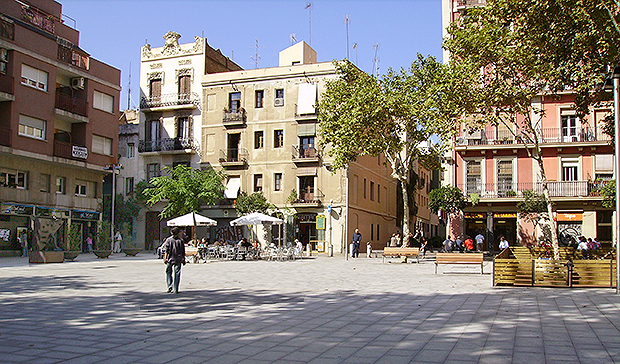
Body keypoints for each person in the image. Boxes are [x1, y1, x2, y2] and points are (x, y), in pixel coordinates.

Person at [163, 227, 186, 294]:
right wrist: (183, 259)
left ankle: (169, 286)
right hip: (178, 259)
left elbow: (166, 250)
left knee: (168, 272)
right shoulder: (181, 240)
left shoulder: (168, 240)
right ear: (178, 233)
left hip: (170, 259)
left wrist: (165, 258)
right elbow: (183, 252)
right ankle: (175, 289)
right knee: (177, 273)